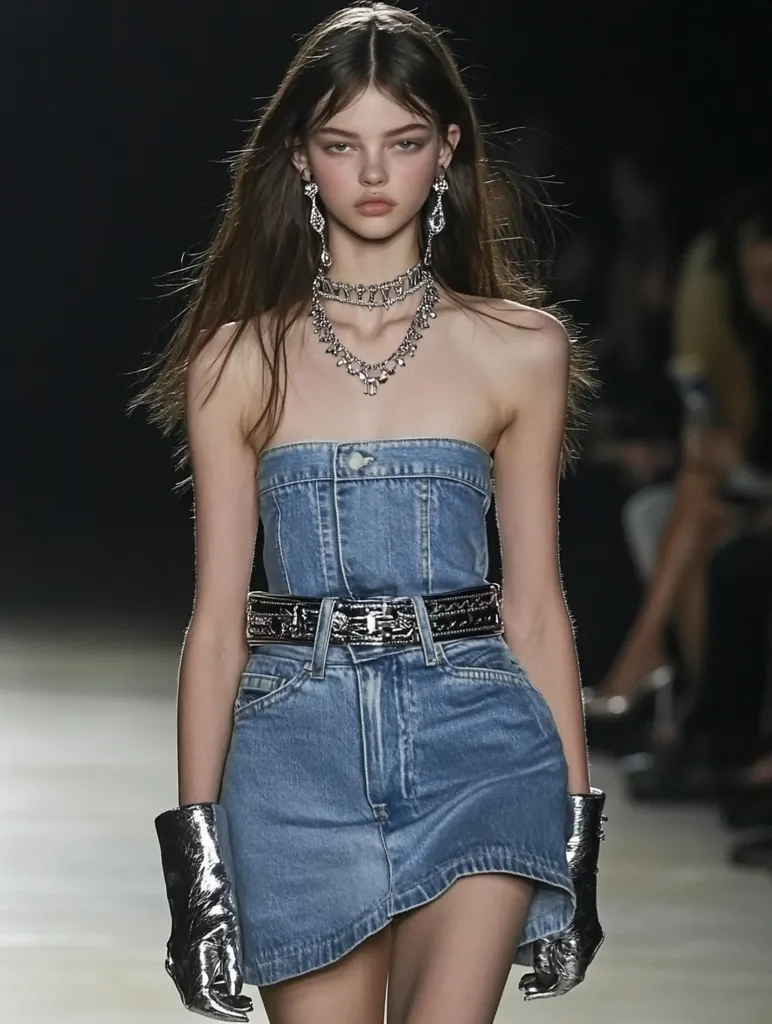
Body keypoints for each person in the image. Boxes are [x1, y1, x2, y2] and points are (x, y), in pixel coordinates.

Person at [130, 6, 605, 1023]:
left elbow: (534, 608)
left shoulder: (521, 351)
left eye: (402, 142)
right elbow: (218, 623)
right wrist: (197, 864)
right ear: (302, 158)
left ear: (447, 150)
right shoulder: (235, 359)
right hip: (294, 759)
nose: (374, 174)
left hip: (478, 740)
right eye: (343, 144)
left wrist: (576, 839)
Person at [584, 188, 772, 742]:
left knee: (692, 506)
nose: (764, 293)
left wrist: (732, 460)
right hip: (751, 497)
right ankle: (697, 709)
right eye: (754, 277)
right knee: (666, 509)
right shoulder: (756, 347)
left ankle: (668, 686)